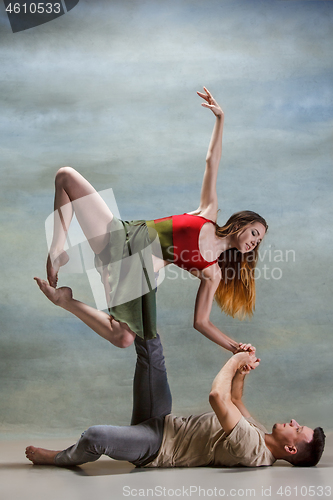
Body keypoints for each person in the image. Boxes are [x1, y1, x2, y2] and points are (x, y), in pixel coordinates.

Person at [34, 88, 268, 353]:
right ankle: (57, 249)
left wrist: (236, 347)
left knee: (123, 338)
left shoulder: (212, 272)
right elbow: (212, 161)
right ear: (240, 225)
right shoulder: (208, 214)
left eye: (258, 241)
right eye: (254, 233)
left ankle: (64, 300)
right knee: (65, 176)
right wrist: (220, 119)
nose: (255, 242)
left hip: (136, 274)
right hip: (122, 237)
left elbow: (202, 322)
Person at [25, 334, 325, 468]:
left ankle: (57, 458)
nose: (294, 422)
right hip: (163, 421)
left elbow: (218, 397)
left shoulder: (252, 450)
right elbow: (235, 397)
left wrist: (235, 361)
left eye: (298, 429)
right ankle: (130, 283)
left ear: (290, 448)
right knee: (151, 346)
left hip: (156, 448)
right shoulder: (259, 433)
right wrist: (243, 371)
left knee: (95, 436)